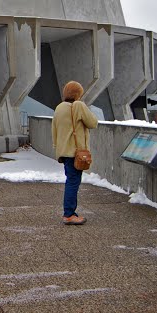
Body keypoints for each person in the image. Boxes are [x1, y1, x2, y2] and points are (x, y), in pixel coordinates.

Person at [51, 80, 98, 225]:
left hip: (64, 152)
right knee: (73, 182)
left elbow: (54, 130)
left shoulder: (59, 108)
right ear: (78, 94)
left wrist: (58, 148)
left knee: (70, 180)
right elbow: (93, 123)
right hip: (75, 152)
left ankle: (70, 212)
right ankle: (69, 214)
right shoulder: (78, 106)